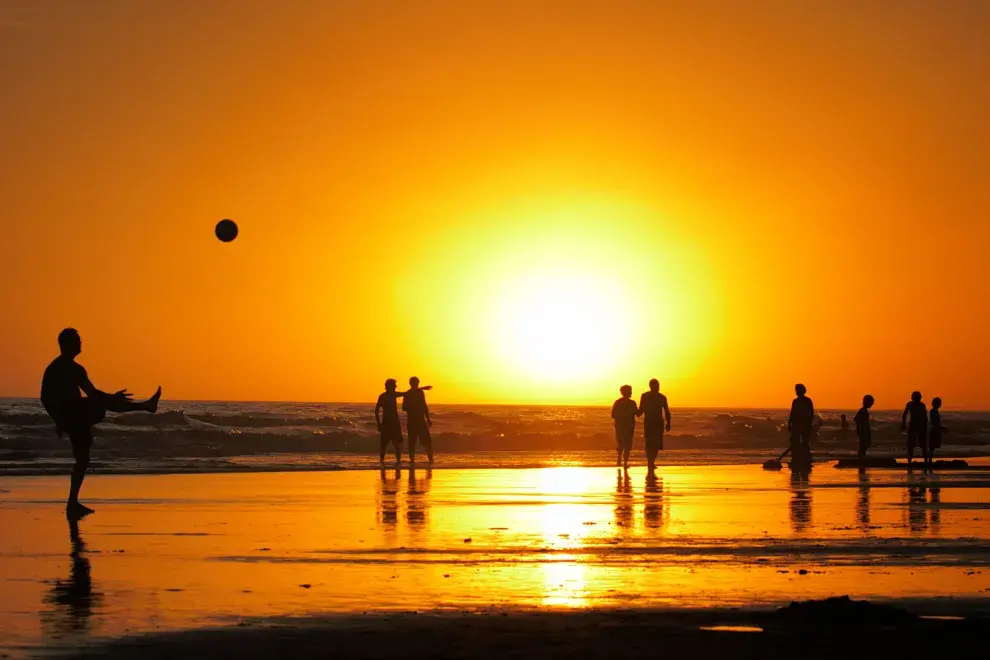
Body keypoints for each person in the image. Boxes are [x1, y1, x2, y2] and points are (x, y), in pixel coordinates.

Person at [40, 328, 161, 518]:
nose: (81, 343)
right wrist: (61, 419)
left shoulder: (55, 368)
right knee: (100, 406)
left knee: (83, 457)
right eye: (77, 341)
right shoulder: (69, 369)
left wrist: (57, 419)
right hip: (74, 415)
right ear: (68, 345)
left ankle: (72, 503)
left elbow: (45, 398)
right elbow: (91, 393)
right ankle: (146, 406)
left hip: (72, 416)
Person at [374, 379, 433, 464]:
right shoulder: (383, 396)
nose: (395, 387)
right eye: (394, 386)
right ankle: (382, 462)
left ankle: (398, 463)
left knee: (397, 444)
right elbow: (376, 410)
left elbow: (407, 393)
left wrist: (423, 388)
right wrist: (378, 423)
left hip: (395, 423)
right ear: (389, 386)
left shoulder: (393, 395)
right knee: (384, 444)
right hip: (387, 423)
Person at [637, 379, 670, 473]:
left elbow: (666, 410)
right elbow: (641, 410)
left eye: (658, 385)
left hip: (658, 422)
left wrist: (668, 422)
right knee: (649, 442)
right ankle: (650, 462)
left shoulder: (662, 397)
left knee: (656, 444)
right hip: (649, 421)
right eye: (656, 385)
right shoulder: (645, 396)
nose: (658, 387)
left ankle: (652, 462)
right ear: (651, 386)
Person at [402, 376, 434, 464]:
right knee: (413, 442)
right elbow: (404, 407)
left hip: (419, 421)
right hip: (414, 421)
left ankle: (430, 460)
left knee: (426, 441)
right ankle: (413, 460)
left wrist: (428, 418)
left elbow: (424, 405)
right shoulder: (410, 393)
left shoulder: (418, 392)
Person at [788, 384, 814, 475]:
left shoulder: (807, 401)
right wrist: (790, 423)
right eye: (796, 390)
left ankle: (805, 459)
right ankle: (797, 459)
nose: (797, 392)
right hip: (797, 425)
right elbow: (792, 413)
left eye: (798, 390)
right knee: (796, 442)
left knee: (804, 442)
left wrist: (809, 423)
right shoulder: (795, 401)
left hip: (804, 425)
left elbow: (811, 413)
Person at [611, 385, 638, 469]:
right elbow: (638, 413)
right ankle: (625, 462)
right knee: (627, 444)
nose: (631, 392)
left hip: (619, 426)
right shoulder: (632, 403)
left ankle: (619, 459)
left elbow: (613, 415)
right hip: (629, 426)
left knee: (621, 443)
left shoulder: (617, 402)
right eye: (629, 391)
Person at [901, 391, 928, 465]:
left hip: (919, 424)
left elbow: (925, 417)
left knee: (920, 444)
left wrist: (903, 423)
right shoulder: (911, 404)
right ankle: (912, 460)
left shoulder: (921, 405)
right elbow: (905, 414)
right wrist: (903, 423)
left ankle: (924, 460)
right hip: (915, 424)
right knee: (912, 443)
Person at [853, 394, 875, 459]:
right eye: (871, 403)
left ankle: (862, 456)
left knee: (865, 445)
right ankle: (860, 457)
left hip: (865, 429)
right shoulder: (862, 410)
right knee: (863, 445)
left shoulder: (864, 410)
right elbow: (856, 419)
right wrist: (858, 428)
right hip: (863, 430)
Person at [928, 397, 946, 466]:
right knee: (932, 446)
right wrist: (941, 427)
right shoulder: (933, 411)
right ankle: (929, 460)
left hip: (936, 429)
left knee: (932, 446)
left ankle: (929, 460)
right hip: (934, 430)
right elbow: (934, 422)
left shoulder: (934, 411)